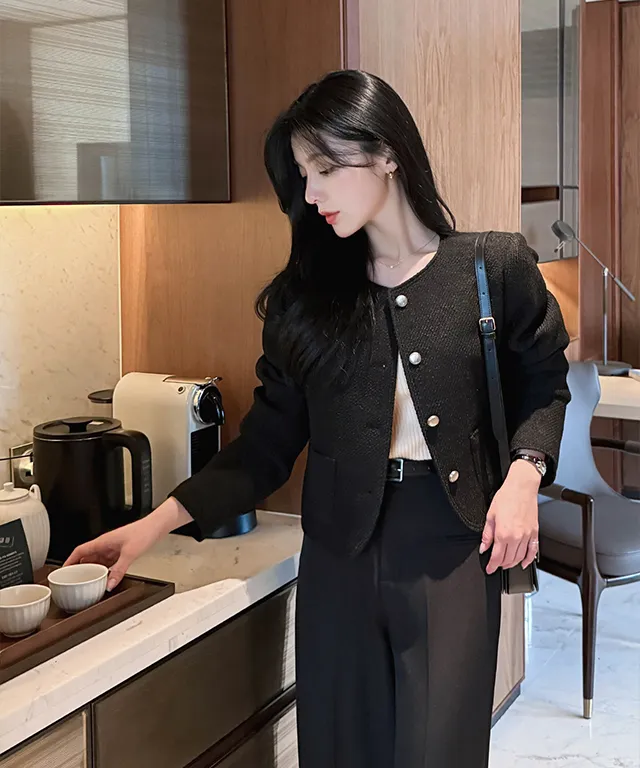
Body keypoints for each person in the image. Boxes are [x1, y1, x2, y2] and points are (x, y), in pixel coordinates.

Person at [66, 70, 571, 767]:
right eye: (303, 174)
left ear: (388, 153)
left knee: (440, 753)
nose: (311, 194)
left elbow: (545, 384)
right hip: (339, 555)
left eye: (326, 169)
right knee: (338, 752)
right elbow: (265, 446)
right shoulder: (307, 301)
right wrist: (150, 528)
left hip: (452, 546)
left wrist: (523, 477)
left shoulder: (492, 269)